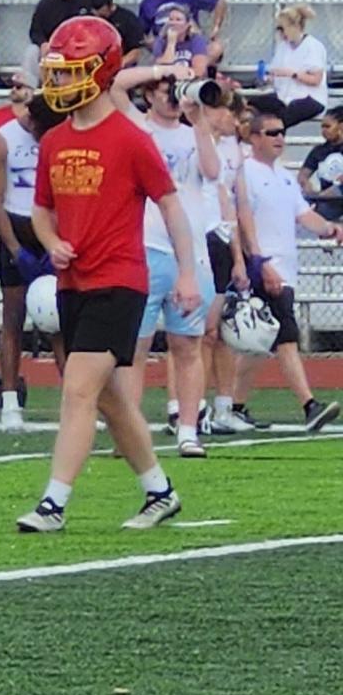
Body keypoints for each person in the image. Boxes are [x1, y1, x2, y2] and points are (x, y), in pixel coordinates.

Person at [14, 17, 200, 534]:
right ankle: (160, 491)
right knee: (112, 398)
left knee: (76, 389)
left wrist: (187, 273)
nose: (62, 82)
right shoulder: (54, 141)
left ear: (102, 71)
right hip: (76, 283)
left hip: (118, 280)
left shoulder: (130, 138)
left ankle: (53, 503)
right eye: (59, 71)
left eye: (73, 71)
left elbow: (171, 207)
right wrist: (53, 244)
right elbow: (41, 212)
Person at [111, 66, 219, 458]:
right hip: (147, 246)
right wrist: (163, 69)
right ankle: (131, 431)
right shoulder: (140, 127)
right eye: (166, 90)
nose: (174, 96)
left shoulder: (194, 133)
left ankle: (188, 429)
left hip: (189, 251)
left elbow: (212, 171)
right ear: (151, 94)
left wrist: (200, 120)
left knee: (188, 345)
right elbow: (116, 85)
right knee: (134, 347)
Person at [231, 111, 342, 432]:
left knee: (259, 343)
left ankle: (233, 406)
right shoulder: (246, 173)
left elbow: (304, 215)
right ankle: (309, 405)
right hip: (266, 266)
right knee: (286, 338)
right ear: (254, 138)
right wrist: (260, 262)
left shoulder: (282, 175)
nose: (280, 137)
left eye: (282, 132)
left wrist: (330, 229)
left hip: (285, 268)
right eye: (271, 133)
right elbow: (243, 221)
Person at [0, 79, 51, 432]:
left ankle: (74, 398)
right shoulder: (4, 140)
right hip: (17, 226)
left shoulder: (56, 136)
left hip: (49, 229)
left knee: (59, 319)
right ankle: (10, 401)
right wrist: (13, 247)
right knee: (13, 316)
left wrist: (56, 242)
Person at [200, 93, 251, 434]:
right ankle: (193, 408)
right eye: (226, 111)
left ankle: (223, 406)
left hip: (219, 238)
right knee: (200, 333)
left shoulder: (233, 151)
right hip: (198, 237)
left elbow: (234, 204)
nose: (233, 120)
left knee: (219, 333)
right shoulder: (199, 142)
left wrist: (240, 256)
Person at [266, 4, 328, 129]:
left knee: (280, 120)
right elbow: (275, 71)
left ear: (296, 27)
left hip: (310, 98)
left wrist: (292, 74)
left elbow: (316, 80)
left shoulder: (313, 46)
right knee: (255, 106)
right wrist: (269, 78)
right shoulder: (283, 47)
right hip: (285, 96)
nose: (281, 33)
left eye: (283, 29)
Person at [297, 107, 343, 221]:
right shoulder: (319, 150)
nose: (323, 130)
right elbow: (303, 175)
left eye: (328, 126)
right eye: (322, 127)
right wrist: (306, 184)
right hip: (329, 201)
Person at [90, 0, 145, 66]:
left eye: (101, 13)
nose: (97, 15)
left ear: (110, 5)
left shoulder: (128, 19)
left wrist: (118, 65)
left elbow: (136, 51)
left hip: (122, 63)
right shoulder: (92, 18)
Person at [151, 4, 209, 77]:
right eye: (171, 19)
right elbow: (159, 68)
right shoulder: (160, 41)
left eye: (178, 20)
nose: (173, 23)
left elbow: (199, 71)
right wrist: (171, 44)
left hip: (190, 80)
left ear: (187, 24)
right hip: (167, 81)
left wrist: (177, 75)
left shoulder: (197, 40)